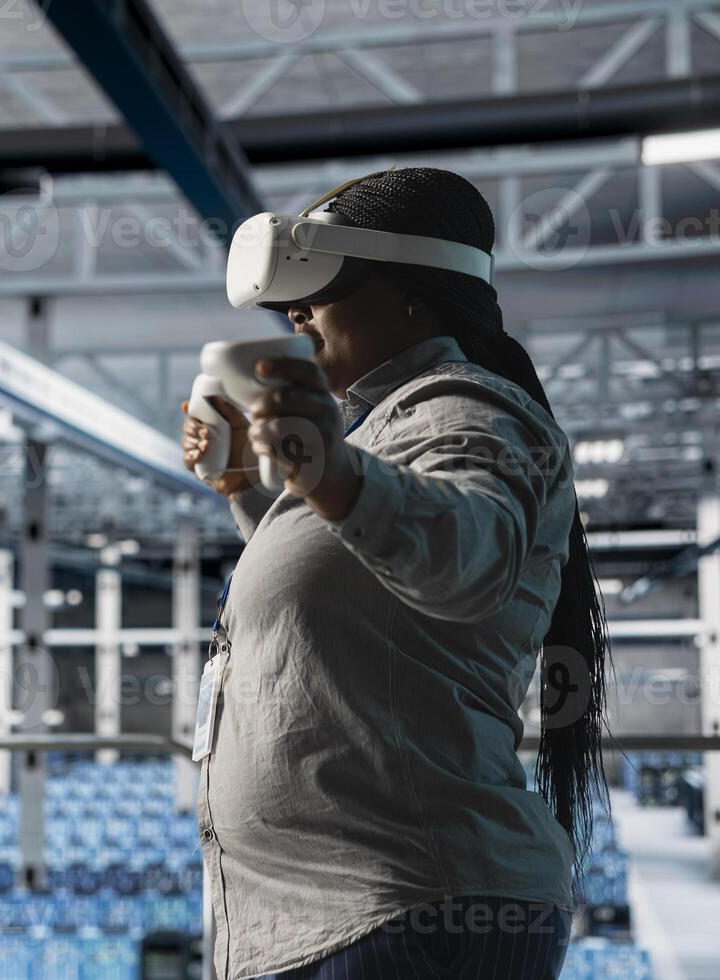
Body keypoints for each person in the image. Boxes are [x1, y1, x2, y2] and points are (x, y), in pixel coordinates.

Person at [180, 167, 607, 980]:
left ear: (413, 293)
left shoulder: (466, 411)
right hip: (354, 916)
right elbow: (352, 592)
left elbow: (466, 560)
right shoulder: (383, 435)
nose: (297, 314)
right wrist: (254, 489)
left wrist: (330, 473)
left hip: (409, 913)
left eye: (321, 289)